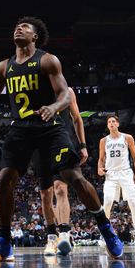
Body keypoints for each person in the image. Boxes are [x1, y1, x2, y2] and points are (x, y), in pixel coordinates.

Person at [0, 17, 123, 262]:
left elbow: (65, 95)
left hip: (51, 127)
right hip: (21, 128)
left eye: (25, 27)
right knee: (5, 178)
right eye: (16, 26)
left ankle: (106, 227)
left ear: (35, 37)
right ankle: (4, 243)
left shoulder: (48, 60)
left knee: (72, 177)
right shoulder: (5, 66)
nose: (18, 28)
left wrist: (53, 107)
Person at [34, 88, 88, 256]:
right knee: (45, 193)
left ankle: (64, 235)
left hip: (61, 142)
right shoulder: (35, 88)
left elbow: (77, 119)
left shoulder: (67, 91)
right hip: (40, 144)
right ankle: (51, 237)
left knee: (60, 188)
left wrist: (83, 145)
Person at [98, 115, 135, 249]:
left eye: (113, 121)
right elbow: (101, 159)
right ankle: (104, 234)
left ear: (118, 124)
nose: (111, 123)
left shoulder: (127, 137)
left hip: (125, 173)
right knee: (106, 202)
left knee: (133, 203)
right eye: (109, 122)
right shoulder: (103, 141)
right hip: (110, 175)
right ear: (107, 125)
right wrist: (99, 168)